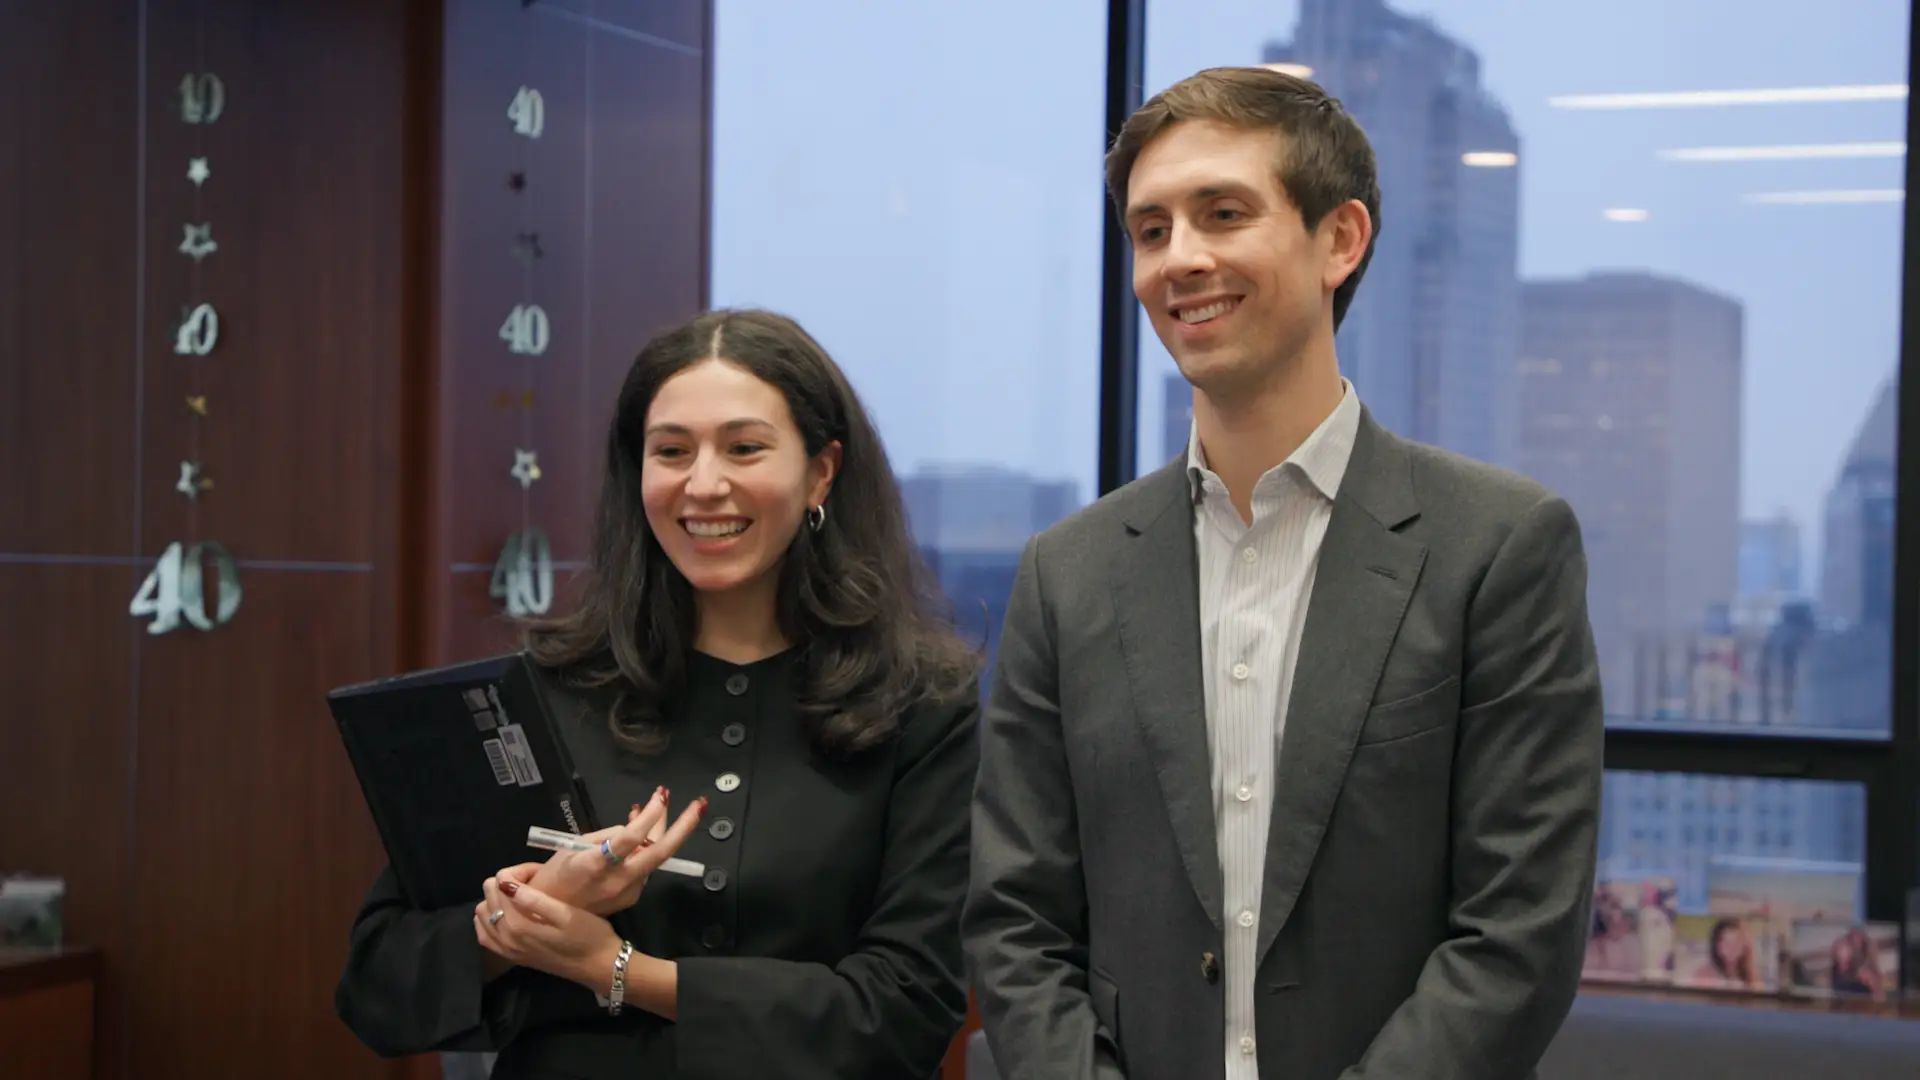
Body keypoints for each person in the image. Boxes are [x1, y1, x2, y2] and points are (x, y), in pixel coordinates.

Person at [963, 66, 1604, 1080]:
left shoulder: (1500, 545)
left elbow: (1520, 932)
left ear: (1339, 241)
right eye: (1151, 230)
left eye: (1223, 214)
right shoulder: (1068, 571)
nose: (1182, 259)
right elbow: (1013, 919)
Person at [335, 308, 982, 1079]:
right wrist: (518, 919)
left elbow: (907, 1010)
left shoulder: (922, 708)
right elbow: (377, 987)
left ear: (821, 472)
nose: (703, 485)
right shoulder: (544, 691)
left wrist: (616, 968)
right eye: (671, 451)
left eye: (745, 448)